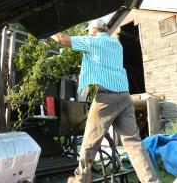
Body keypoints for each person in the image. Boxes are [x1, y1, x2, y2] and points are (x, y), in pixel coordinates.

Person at [51, 18, 159, 183]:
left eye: (88, 30)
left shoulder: (92, 42)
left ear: (94, 29)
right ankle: (151, 180)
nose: (87, 32)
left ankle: (80, 180)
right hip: (124, 96)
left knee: (89, 143)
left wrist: (45, 28)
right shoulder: (117, 44)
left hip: (106, 97)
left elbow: (61, 39)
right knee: (134, 143)